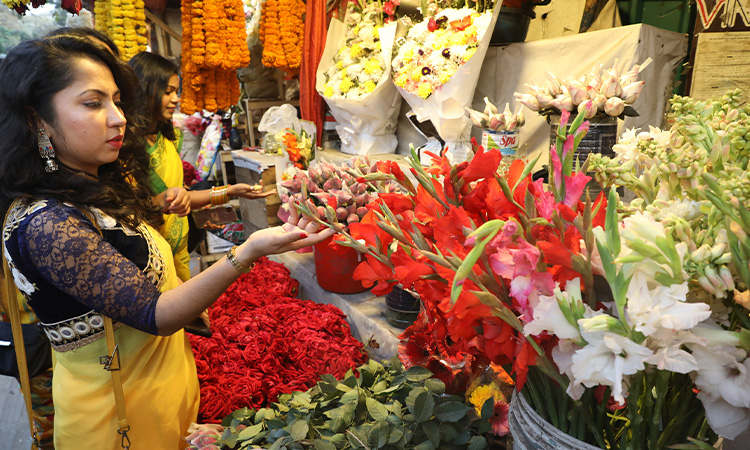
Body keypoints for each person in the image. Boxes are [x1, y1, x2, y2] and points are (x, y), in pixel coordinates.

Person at [0, 36, 331, 449]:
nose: (118, 117)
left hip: (157, 398)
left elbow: (159, 207)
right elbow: (156, 314)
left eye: (117, 101)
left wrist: (225, 194)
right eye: (93, 103)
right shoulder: (48, 224)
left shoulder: (88, 189)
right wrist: (247, 252)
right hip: (119, 423)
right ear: (37, 120)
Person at [128, 51, 276, 282]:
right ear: (144, 92)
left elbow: (180, 198)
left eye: (177, 91)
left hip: (179, 250)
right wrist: (160, 202)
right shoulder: (124, 149)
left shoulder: (167, 139)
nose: (176, 99)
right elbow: (129, 214)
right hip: (151, 260)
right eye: (168, 92)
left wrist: (232, 191)